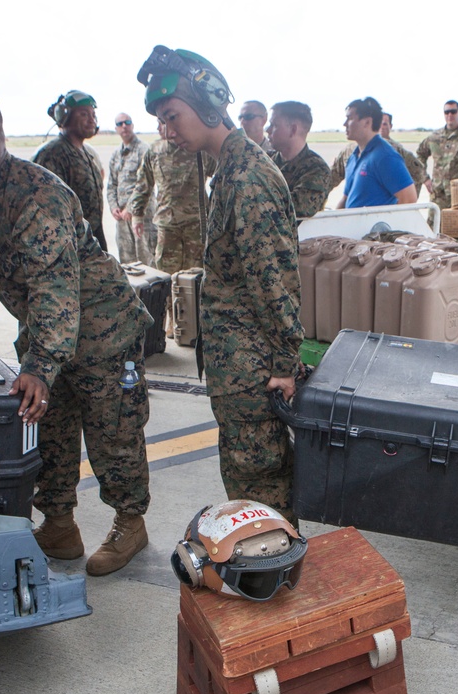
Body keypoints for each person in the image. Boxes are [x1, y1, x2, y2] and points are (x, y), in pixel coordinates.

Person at [0, 88, 154, 576]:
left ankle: (130, 523)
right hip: (49, 332)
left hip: (101, 330)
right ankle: (59, 524)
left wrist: (39, 365)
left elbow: (55, 286)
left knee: (111, 429)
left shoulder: (37, 194)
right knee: (48, 428)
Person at [137, 46, 302, 521]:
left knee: (262, 490)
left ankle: (275, 572)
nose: (168, 133)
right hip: (238, 365)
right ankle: (264, 567)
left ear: (209, 103)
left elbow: (275, 282)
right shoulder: (227, 170)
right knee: (248, 486)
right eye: (161, 122)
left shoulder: (248, 178)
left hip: (253, 370)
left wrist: (286, 365)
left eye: (173, 116)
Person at [123, 121, 215, 276]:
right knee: (167, 274)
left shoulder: (199, 150)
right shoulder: (155, 150)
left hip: (196, 226)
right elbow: (143, 183)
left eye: (162, 123)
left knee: (197, 275)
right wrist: (137, 215)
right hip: (167, 226)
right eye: (158, 122)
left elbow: (219, 178)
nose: (158, 127)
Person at [32, 90, 108, 252]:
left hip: (91, 242)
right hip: (69, 248)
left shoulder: (86, 153)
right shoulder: (52, 154)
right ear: (64, 117)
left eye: (93, 115)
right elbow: (48, 214)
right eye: (83, 114)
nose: (91, 120)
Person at [336, 97, 417, 209]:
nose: (345, 124)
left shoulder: (385, 157)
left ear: (367, 122)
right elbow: (345, 199)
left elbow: (409, 200)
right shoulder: (353, 157)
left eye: (349, 118)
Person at [265, 101, 331, 221]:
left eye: (274, 125)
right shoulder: (265, 160)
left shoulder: (316, 169)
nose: (268, 130)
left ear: (293, 129)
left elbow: (298, 207)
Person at [107, 112, 155, 265]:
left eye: (127, 122)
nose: (124, 126)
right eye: (120, 124)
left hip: (141, 217)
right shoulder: (116, 154)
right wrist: (113, 207)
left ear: (132, 125)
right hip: (122, 219)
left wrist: (131, 208)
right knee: (127, 262)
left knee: (147, 259)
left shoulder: (144, 150)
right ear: (116, 129)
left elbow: (146, 183)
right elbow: (111, 184)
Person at [416, 100, 458, 208]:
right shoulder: (434, 137)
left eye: (453, 111)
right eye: (447, 112)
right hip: (438, 195)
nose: (450, 115)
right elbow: (420, 154)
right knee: (434, 225)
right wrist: (425, 178)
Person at [378, 111, 425, 200]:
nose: (381, 127)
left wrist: (410, 198)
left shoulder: (397, 150)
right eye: (378, 124)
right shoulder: (365, 147)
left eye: (384, 124)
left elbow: (418, 170)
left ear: (390, 126)